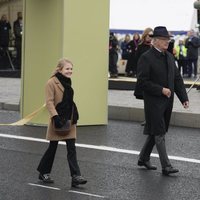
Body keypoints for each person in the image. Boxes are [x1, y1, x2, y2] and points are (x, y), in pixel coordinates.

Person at [136, 26, 189, 176]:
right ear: (155, 41)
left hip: (168, 101)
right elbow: (142, 82)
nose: (167, 42)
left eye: (168, 39)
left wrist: (183, 98)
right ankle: (166, 166)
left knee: (157, 131)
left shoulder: (169, 57)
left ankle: (143, 158)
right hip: (153, 101)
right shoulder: (146, 57)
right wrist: (161, 90)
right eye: (164, 40)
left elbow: (177, 79)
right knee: (159, 132)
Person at [37, 58, 87, 187]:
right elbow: (49, 102)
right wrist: (55, 117)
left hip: (69, 119)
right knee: (52, 148)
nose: (70, 71)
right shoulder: (51, 82)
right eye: (67, 69)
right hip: (58, 120)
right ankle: (44, 171)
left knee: (72, 148)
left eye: (71, 69)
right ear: (60, 69)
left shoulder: (67, 81)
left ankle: (76, 176)